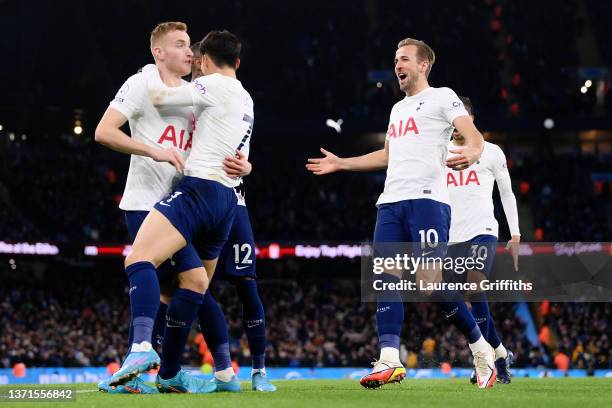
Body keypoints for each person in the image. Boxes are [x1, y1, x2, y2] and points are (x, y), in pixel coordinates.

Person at [306, 38, 497, 389]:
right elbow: (386, 155)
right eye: (395, 59)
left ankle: (481, 348)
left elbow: (473, 134)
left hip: (428, 202)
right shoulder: (397, 110)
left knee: (429, 286)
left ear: (423, 65)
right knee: (386, 278)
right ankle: (390, 358)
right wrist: (342, 163)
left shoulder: (443, 96)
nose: (398, 65)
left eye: (404, 59)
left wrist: (472, 151)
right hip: (391, 202)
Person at [95, 25, 249, 393]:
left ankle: (163, 370)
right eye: (180, 45)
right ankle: (145, 357)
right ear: (158, 52)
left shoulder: (196, 92)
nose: (189, 52)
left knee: (193, 284)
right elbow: (104, 132)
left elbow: (222, 142)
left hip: (187, 205)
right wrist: (154, 150)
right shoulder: (141, 83)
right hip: (147, 203)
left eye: (190, 46)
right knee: (167, 275)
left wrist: (244, 165)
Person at [189, 41, 276, 392]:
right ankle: (223, 368)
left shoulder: (239, 98)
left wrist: (248, 165)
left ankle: (258, 371)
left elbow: (241, 154)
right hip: (195, 200)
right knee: (193, 283)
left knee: (246, 285)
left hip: (233, 203)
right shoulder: (188, 99)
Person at [446, 97, 519, 385]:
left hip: (483, 230)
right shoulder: (439, 151)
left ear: (471, 118)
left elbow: (507, 192)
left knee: (476, 286)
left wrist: (515, 234)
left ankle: (484, 361)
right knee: (453, 300)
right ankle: (499, 353)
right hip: (450, 236)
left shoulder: (491, 152)